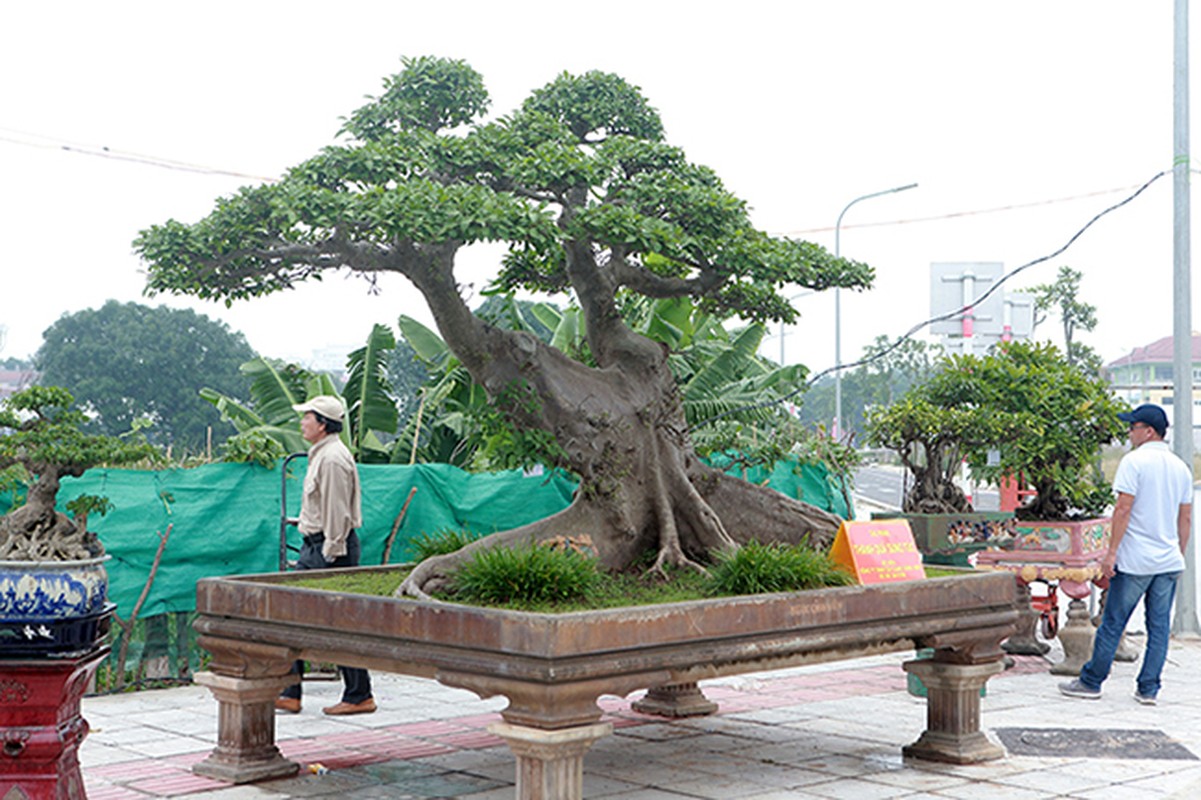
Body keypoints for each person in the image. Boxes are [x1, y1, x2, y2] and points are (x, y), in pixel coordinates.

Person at [1059, 403, 1192, 705]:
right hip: (1168, 560)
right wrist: (1177, 552)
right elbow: (1185, 518)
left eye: (1132, 427)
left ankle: (1091, 681)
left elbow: (1123, 509)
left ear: (1148, 431)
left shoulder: (1134, 462)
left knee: (1113, 622)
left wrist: (1111, 553)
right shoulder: (1181, 467)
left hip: (1135, 560)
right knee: (1158, 628)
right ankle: (1148, 688)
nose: (1129, 433)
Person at [275, 395, 376, 716]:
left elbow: (337, 511)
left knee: (337, 623)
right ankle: (291, 691)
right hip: (317, 547)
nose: (302, 422)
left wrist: (331, 553)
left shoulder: (332, 459)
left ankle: (358, 694)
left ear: (322, 424)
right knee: (294, 614)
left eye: (307, 417)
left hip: (330, 549)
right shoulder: (322, 454)